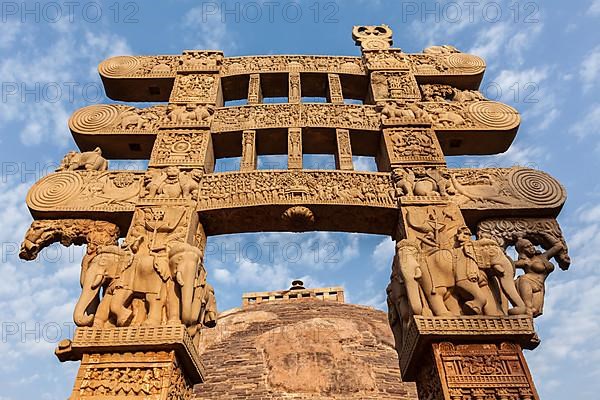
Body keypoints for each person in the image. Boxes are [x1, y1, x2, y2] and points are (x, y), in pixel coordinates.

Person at [515, 238, 563, 317]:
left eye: (531, 245)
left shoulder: (544, 256)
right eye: (527, 247)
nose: (531, 248)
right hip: (528, 282)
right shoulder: (525, 262)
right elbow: (509, 264)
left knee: (535, 310)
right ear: (522, 251)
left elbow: (558, 246)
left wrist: (543, 234)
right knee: (528, 309)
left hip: (540, 286)